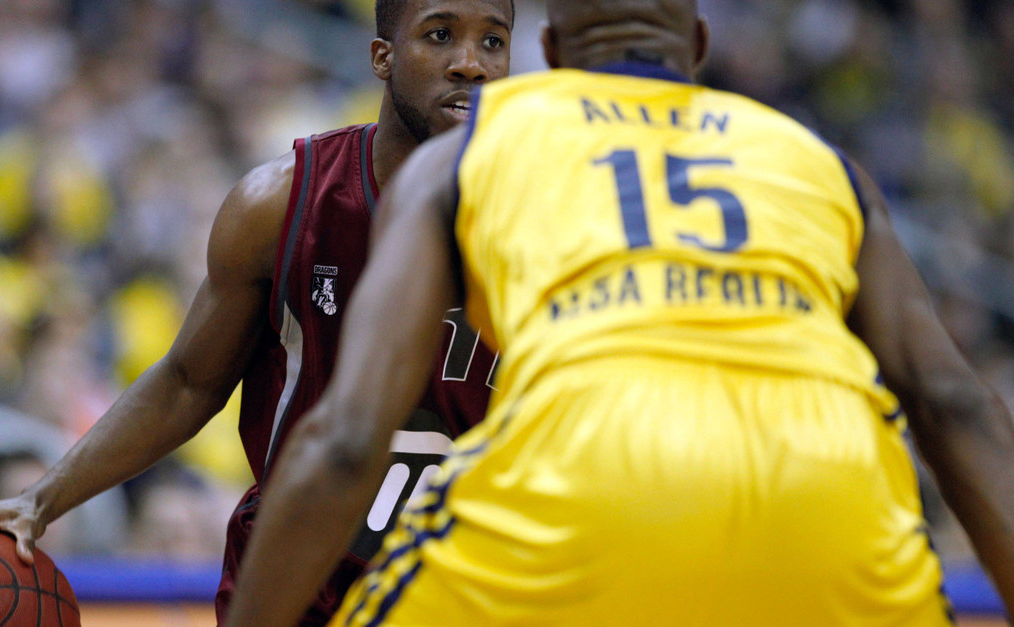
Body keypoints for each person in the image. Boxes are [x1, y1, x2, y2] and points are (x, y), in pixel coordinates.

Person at [222, 1, 1014, 625]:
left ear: (556, 58)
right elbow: (954, 402)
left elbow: (349, 434)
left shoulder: (472, 152)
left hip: (587, 482)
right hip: (837, 503)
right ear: (697, 47)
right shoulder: (816, 159)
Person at [0, 1, 512, 624]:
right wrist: (41, 499)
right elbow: (188, 383)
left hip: (470, 593)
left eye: (493, 42)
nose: (470, 64)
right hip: (299, 597)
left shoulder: (542, 221)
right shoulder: (280, 203)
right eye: (440, 35)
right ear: (382, 56)